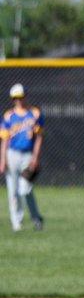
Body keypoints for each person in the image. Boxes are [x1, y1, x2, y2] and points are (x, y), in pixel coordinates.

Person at [0, 83, 45, 232]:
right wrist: (2, 160)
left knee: (26, 189)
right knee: (13, 191)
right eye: (15, 98)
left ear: (26, 96)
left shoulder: (35, 114)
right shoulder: (8, 116)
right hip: (12, 154)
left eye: (20, 97)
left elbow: (39, 137)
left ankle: (36, 218)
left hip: (28, 155)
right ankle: (16, 222)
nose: (18, 100)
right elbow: (5, 140)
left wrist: (36, 157)